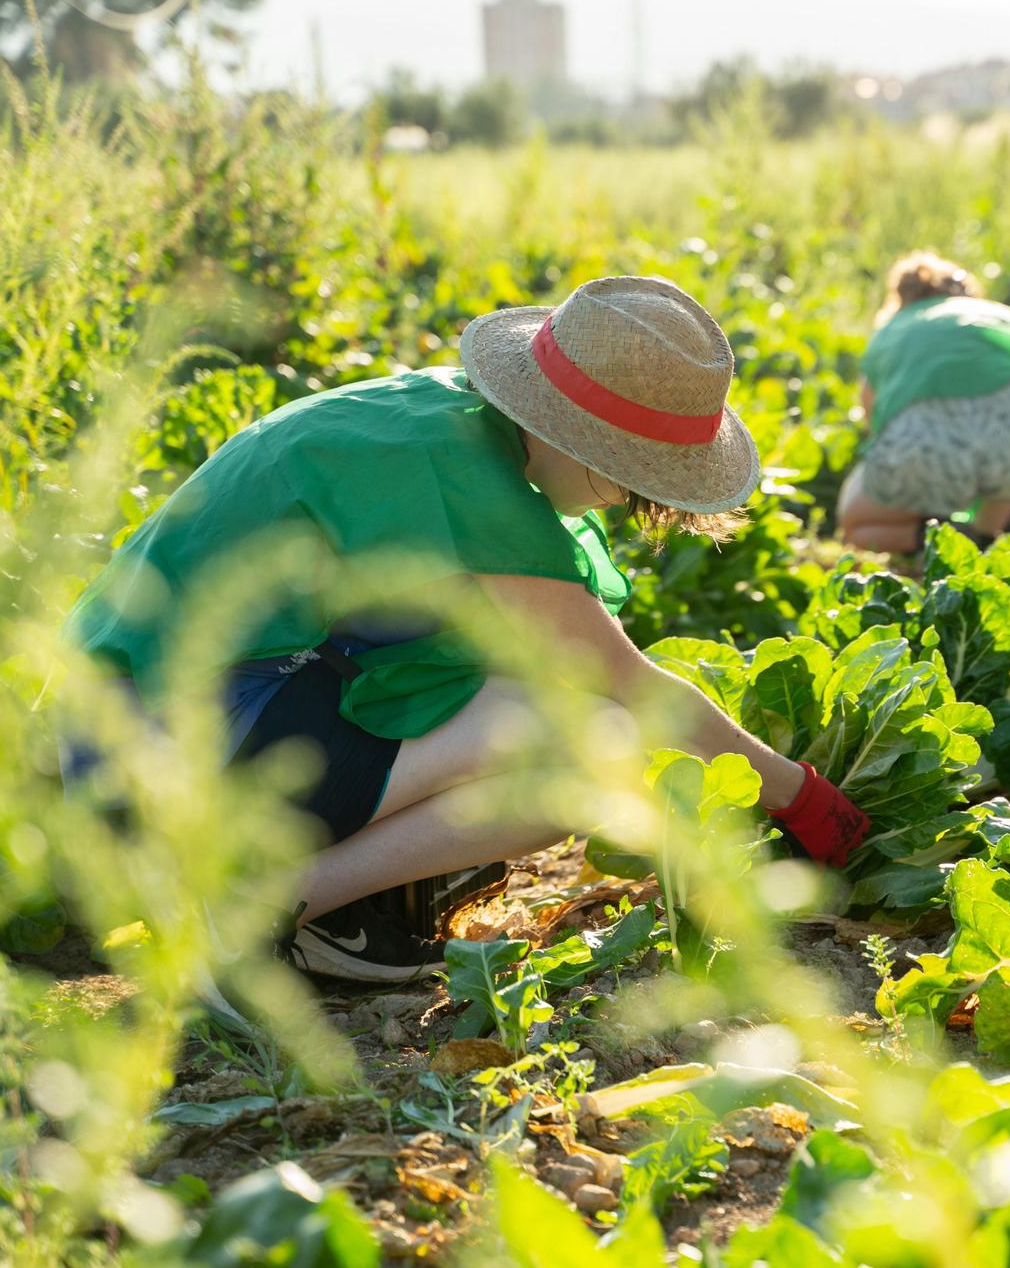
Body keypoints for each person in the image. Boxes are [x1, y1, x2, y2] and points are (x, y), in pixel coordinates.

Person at [66, 276, 870, 982]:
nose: (629, 502)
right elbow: (627, 684)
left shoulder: (437, 416)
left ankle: (304, 899)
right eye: (631, 477)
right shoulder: (458, 473)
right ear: (571, 435)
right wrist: (796, 794)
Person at [836, 252, 1010, 554]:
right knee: (1009, 466)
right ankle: (995, 531)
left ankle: (942, 535)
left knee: (857, 526)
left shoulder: (888, 334)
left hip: (926, 446)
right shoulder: (999, 315)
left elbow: (878, 430)